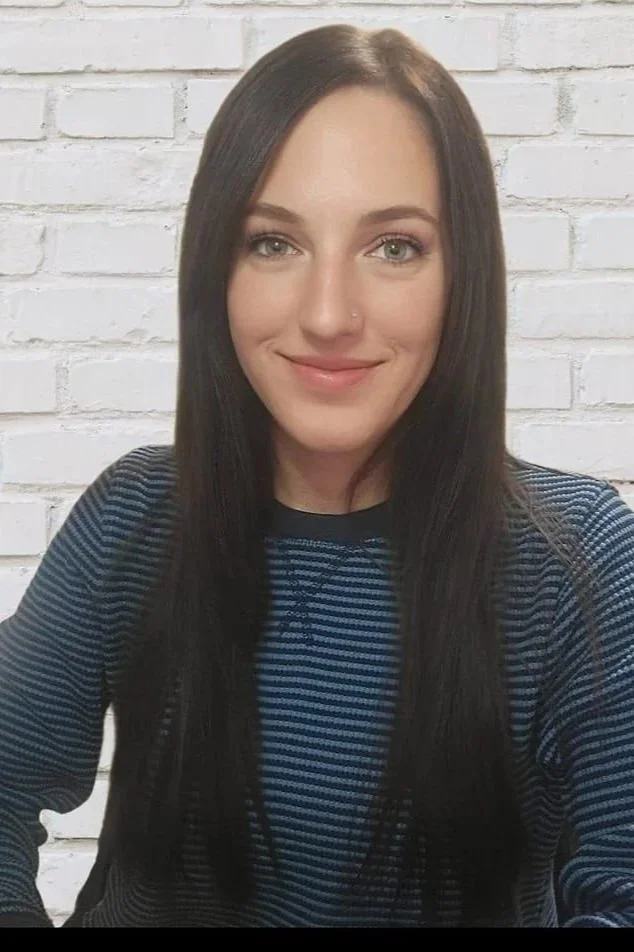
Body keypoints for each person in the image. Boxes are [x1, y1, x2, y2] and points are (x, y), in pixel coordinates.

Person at [0, 23, 633, 929]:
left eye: (395, 247)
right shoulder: (134, 521)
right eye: (273, 243)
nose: (329, 313)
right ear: (215, 269)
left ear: (465, 278)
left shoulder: (577, 560)